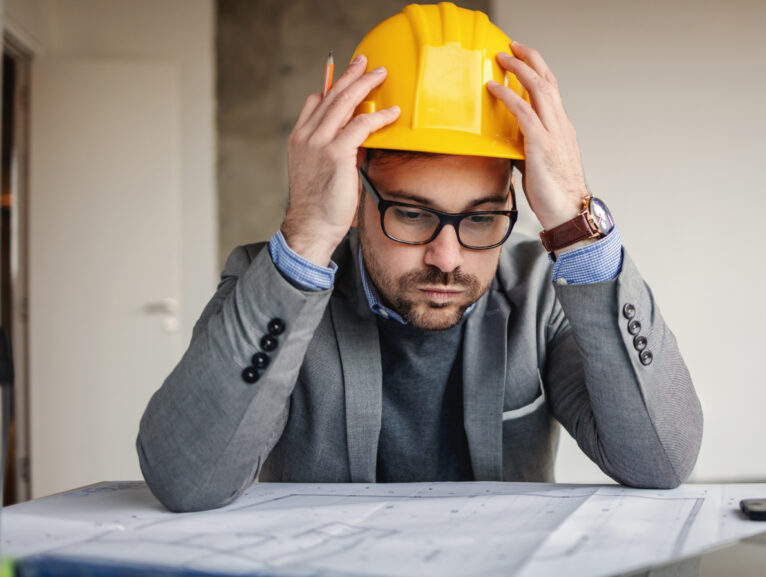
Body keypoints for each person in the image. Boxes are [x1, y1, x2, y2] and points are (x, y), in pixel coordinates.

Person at [137, 2, 702, 512]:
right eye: (410, 213)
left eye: (481, 218)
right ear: (356, 195)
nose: (448, 257)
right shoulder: (272, 287)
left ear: (514, 199)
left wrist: (578, 229)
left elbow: (661, 460)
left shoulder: (541, 293)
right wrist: (308, 232)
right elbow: (187, 480)